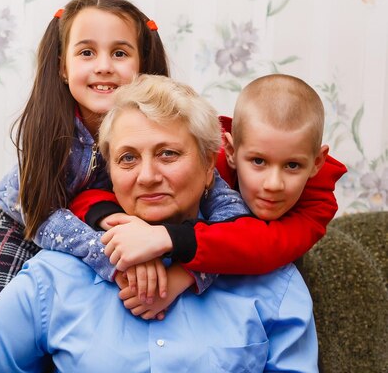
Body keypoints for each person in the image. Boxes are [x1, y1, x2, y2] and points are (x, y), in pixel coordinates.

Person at [0, 75, 318, 373]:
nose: (147, 175)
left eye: (168, 154)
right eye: (128, 158)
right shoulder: (57, 278)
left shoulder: (273, 283)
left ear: (211, 167)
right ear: (111, 173)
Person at [0, 0, 245, 318]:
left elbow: (233, 226)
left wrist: (186, 273)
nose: (103, 66)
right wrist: (113, 258)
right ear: (62, 68)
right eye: (87, 52)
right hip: (26, 227)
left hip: (113, 234)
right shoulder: (52, 135)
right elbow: (40, 213)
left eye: (119, 53)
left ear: (142, 65)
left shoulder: (176, 130)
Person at [67, 74, 346, 317]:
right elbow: (87, 197)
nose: (273, 184)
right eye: (258, 162)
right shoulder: (212, 159)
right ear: (231, 151)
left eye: (293, 166)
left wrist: (177, 266)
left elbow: (260, 247)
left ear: (317, 162)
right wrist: (121, 223)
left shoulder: (317, 203)